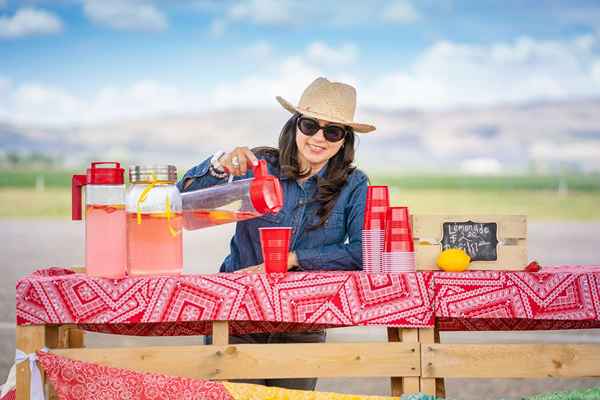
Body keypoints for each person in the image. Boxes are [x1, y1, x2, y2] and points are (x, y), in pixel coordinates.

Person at [178, 77, 376, 390]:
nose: (318, 138)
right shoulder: (259, 166)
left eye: (333, 131)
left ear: (344, 140)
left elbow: (366, 252)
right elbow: (182, 201)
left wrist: (295, 259)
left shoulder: (355, 186)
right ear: (295, 125)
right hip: (238, 315)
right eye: (310, 125)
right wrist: (219, 166)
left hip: (302, 322)